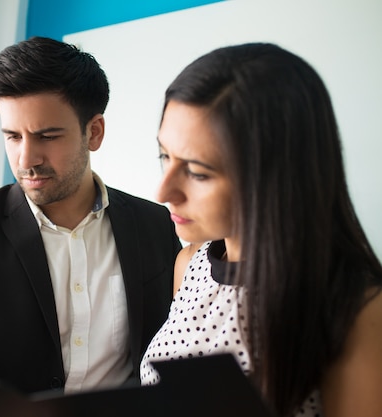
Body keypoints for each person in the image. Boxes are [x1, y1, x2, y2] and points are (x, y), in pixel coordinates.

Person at [0, 36, 182, 417]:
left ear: (94, 132)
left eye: (47, 136)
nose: (26, 158)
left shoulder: (155, 225)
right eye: (13, 136)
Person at [140, 42, 382, 417]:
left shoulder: (357, 312)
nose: (163, 191)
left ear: (277, 177)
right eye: (164, 156)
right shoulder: (189, 265)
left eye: (198, 172)